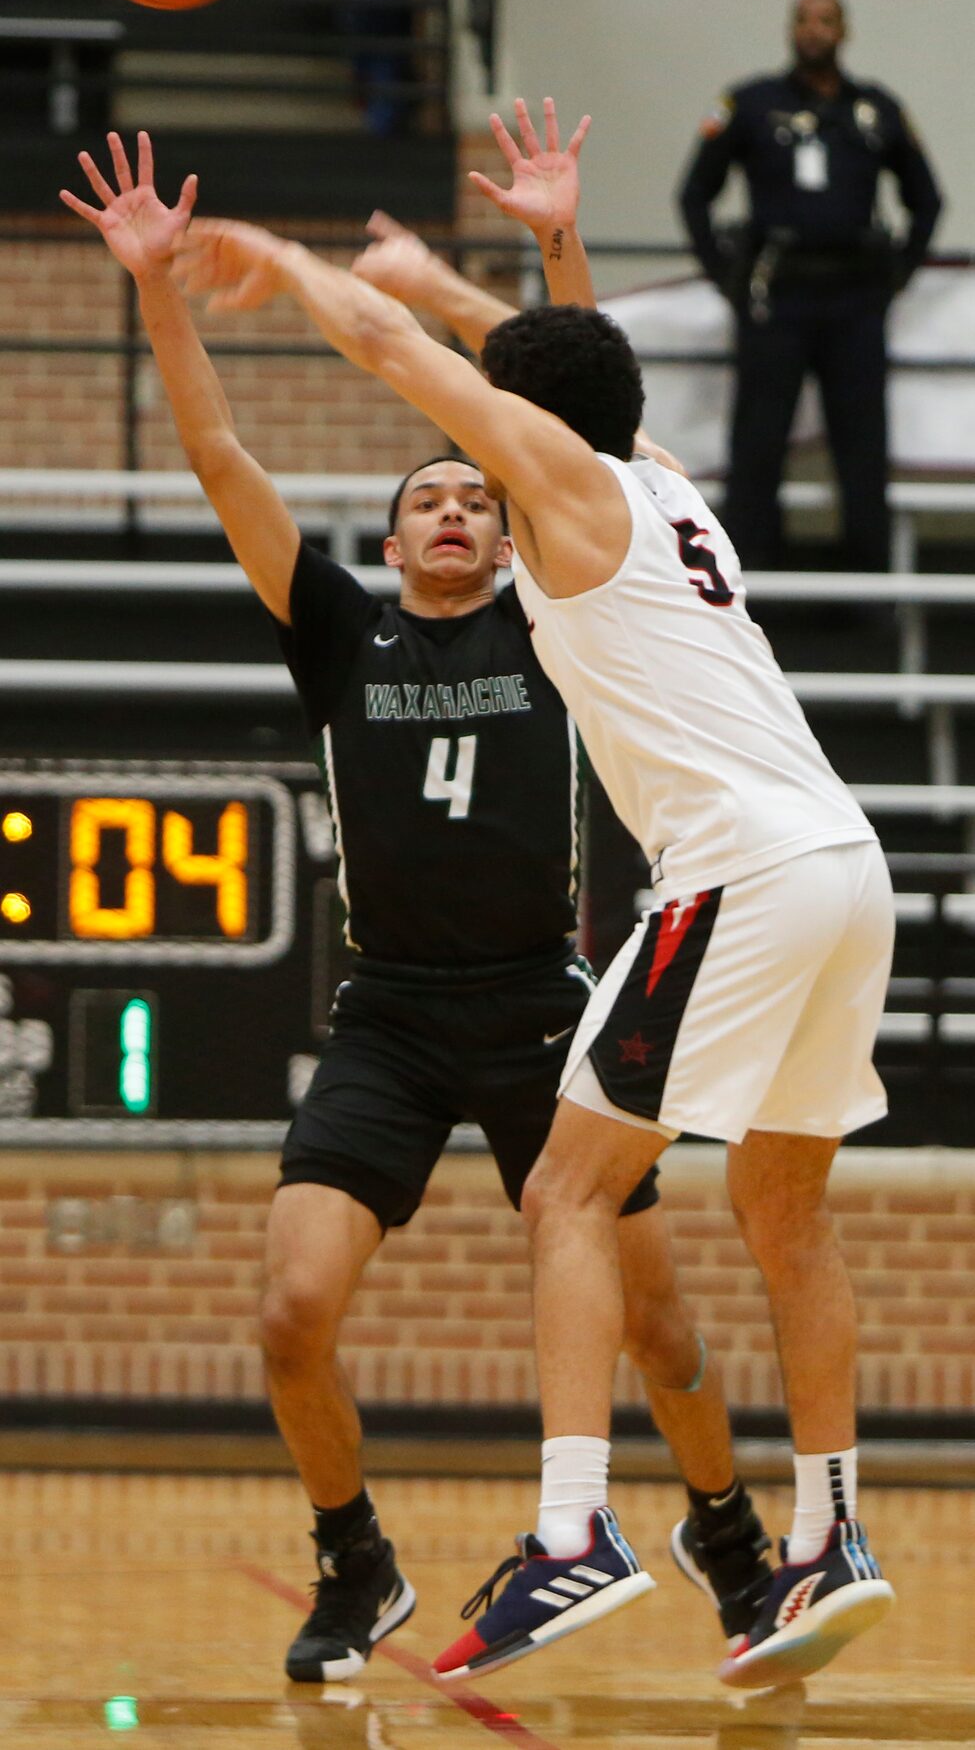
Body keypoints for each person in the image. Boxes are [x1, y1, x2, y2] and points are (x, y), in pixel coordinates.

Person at [165, 93, 899, 1693]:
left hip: (740, 873)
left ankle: (573, 1533)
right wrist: (462, 276)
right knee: (783, 1216)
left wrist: (295, 263)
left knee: (564, 1195)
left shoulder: (560, 493)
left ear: (520, 433)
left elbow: (397, 356)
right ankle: (822, 1537)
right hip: (848, 862)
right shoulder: (666, 483)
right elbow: (566, 363)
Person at [678, 0, 943, 570]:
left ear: (844, 31)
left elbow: (927, 200)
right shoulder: (749, 103)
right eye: (803, 19)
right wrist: (726, 278)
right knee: (758, 445)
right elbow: (695, 194)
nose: (814, 29)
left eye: (826, 20)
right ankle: (750, 588)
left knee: (862, 448)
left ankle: (870, 599)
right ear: (790, 29)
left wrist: (895, 278)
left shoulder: (876, 109)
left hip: (855, 298)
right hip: (777, 297)